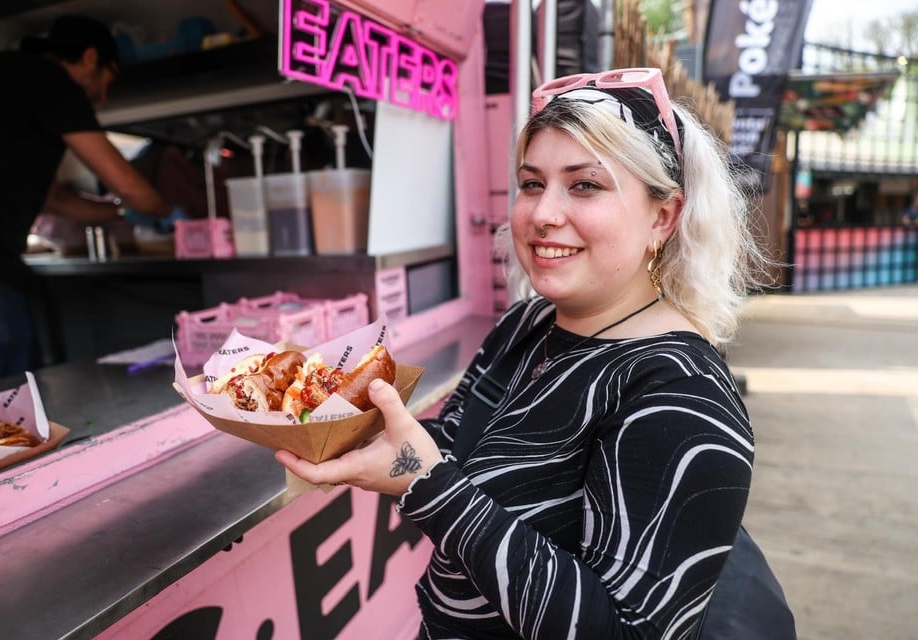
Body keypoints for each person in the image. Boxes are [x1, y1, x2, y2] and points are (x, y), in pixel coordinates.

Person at [276, 67, 774, 638]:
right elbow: (466, 443)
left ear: (663, 216)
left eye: (584, 185)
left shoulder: (679, 397)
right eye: (532, 183)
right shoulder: (530, 322)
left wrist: (425, 483)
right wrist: (353, 427)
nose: (542, 214)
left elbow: (625, 631)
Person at [0, 15, 187, 386]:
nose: (101, 97)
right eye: (106, 81)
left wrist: (121, 212)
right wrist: (169, 213)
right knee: (1, 403)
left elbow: (56, 201)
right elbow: (129, 185)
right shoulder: (51, 80)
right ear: (90, 58)